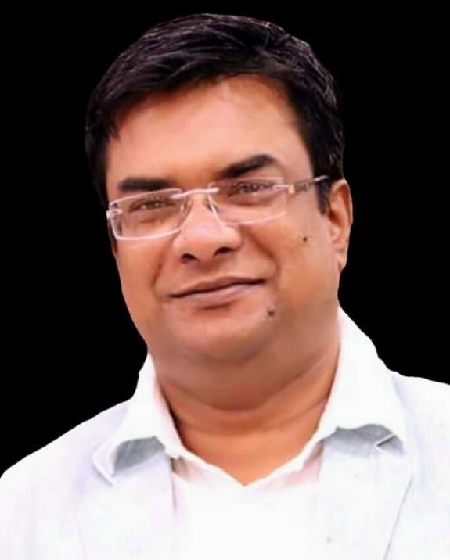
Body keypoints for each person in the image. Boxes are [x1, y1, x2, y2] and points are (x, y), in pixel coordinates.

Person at [1, 12, 449, 559]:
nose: (203, 238)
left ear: (335, 219)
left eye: (249, 188)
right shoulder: (24, 512)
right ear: (115, 247)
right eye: (151, 205)